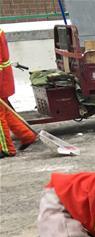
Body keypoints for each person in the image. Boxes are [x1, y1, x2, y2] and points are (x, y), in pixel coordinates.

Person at [0, 27, 37, 157]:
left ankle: (6, 149)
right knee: (6, 112)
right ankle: (27, 136)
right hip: (3, 80)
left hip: (1, 81)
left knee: (0, 117)